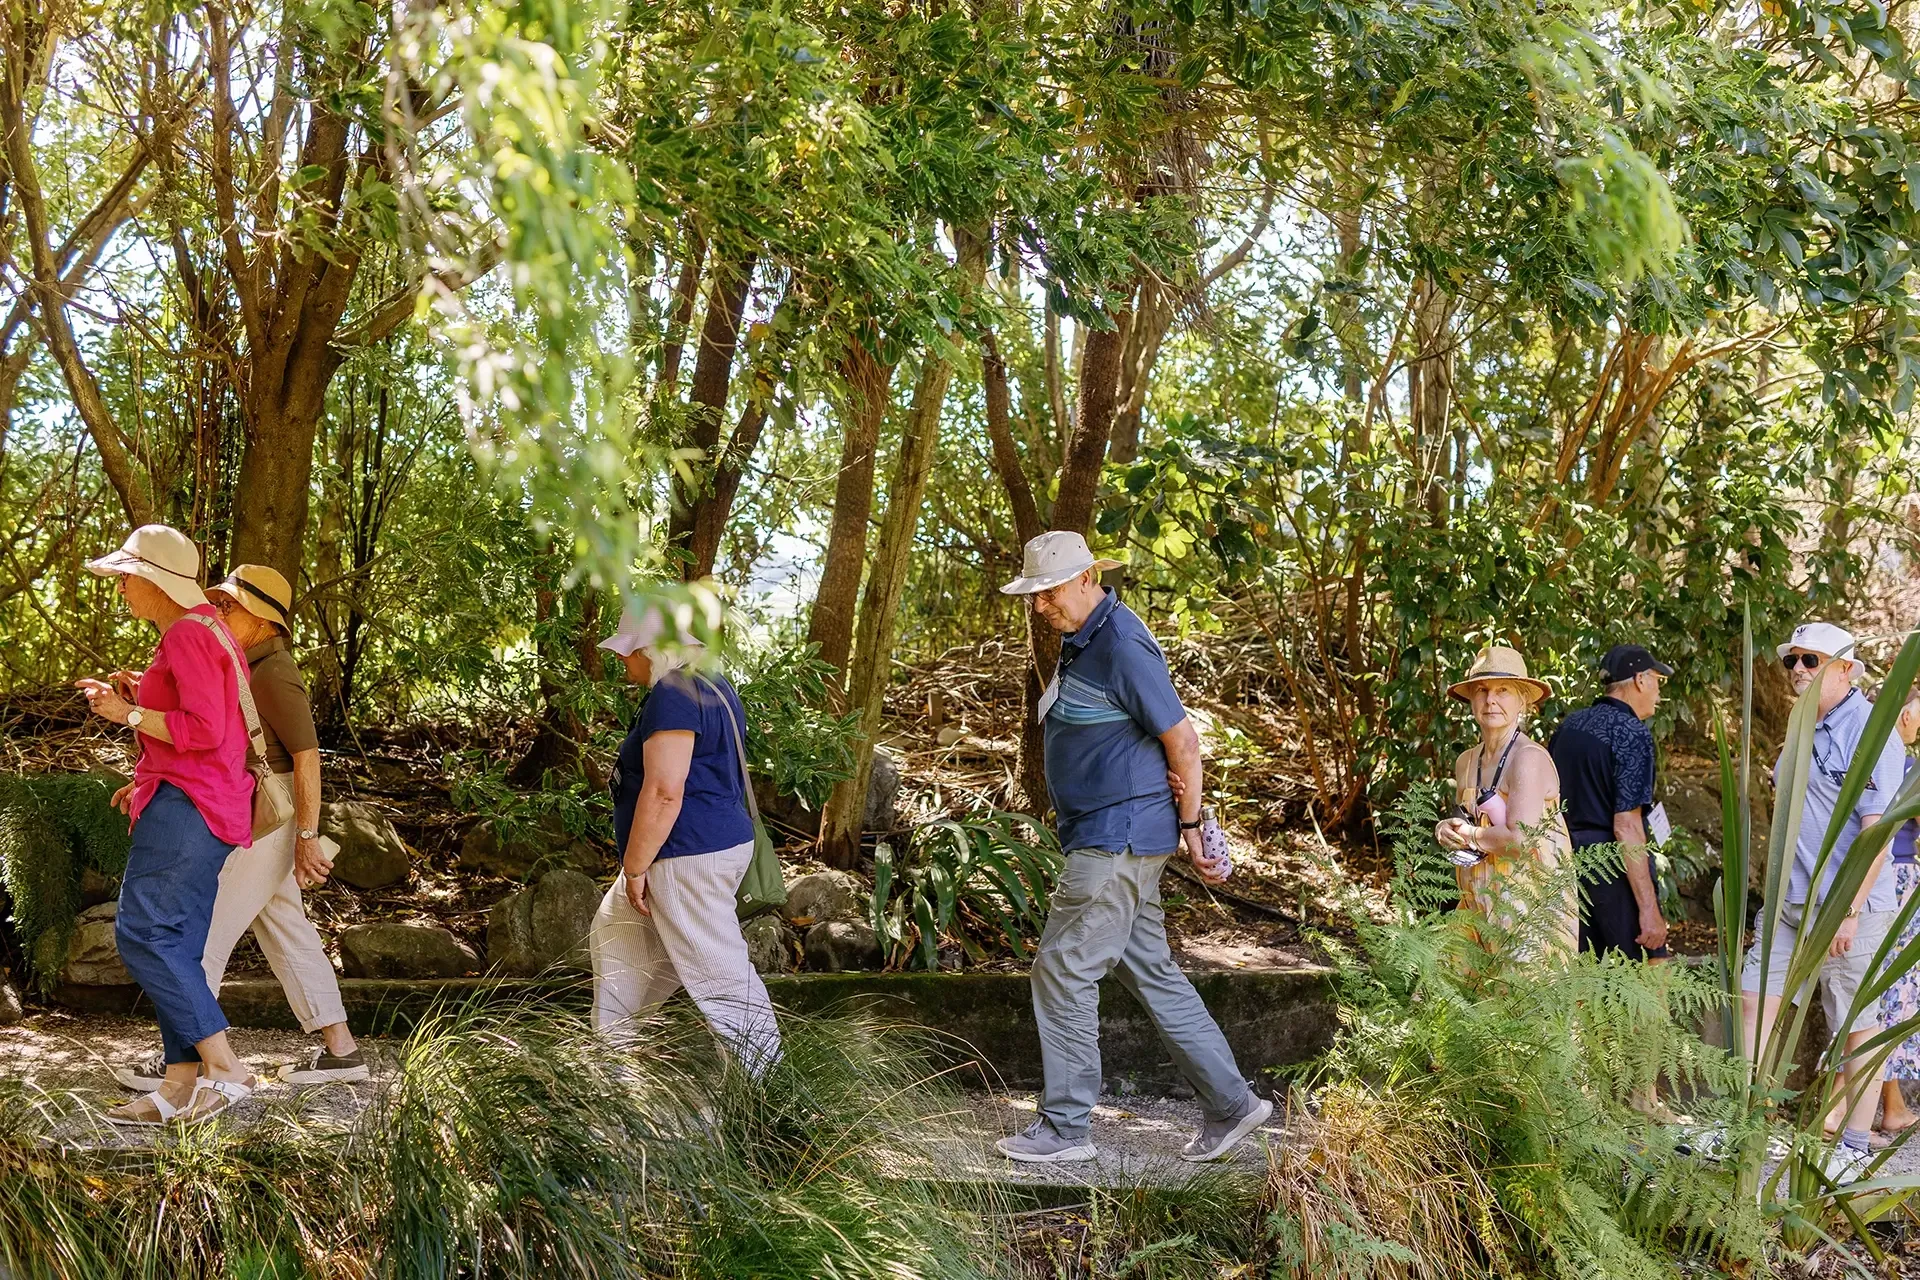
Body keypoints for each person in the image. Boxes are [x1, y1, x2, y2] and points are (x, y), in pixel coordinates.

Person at [993, 531, 1271, 1166]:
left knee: (1062, 968)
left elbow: (1184, 741)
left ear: (1089, 577)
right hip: (1115, 834)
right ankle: (1232, 1105)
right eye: (1034, 596)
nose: (1041, 605)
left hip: (1114, 840)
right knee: (1150, 969)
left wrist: (1196, 826)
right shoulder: (1082, 638)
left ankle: (1065, 1129)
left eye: (1051, 591)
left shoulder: (1120, 643)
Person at [108, 565, 366, 1092]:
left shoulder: (273, 669)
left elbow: (306, 756)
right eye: (218, 602)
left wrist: (307, 834)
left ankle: (189, 1062)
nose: (219, 610)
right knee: (285, 927)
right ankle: (341, 1049)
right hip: (249, 804)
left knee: (201, 935)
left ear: (266, 620)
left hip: (268, 812)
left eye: (230, 604)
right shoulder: (235, 656)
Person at [76, 525, 260, 1123]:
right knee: (176, 942)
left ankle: (226, 1068)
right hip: (204, 801)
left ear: (156, 579)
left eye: (128, 577)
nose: (122, 588)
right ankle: (180, 1082)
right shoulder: (207, 628)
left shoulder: (185, 633)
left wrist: (123, 711)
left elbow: (203, 732)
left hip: (189, 806)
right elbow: (204, 720)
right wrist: (138, 698)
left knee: (143, 934)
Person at [588, 600, 781, 1077]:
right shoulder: (713, 685)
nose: (621, 659)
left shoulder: (673, 695)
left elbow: (663, 793)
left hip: (684, 855)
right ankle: (613, 1071)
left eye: (627, 649)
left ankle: (772, 1095)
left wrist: (635, 868)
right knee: (614, 935)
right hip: (707, 846)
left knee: (720, 975)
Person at [1741, 622, 1906, 1178]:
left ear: (1844, 668)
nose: (1798, 672)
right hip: (1790, 900)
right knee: (1751, 998)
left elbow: (1876, 831)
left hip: (1847, 905)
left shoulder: (1873, 730)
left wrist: (1851, 909)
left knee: (1855, 1023)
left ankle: (1855, 1146)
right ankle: (1746, 1127)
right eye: (1792, 662)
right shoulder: (1800, 725)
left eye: (1811, 662)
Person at [1433, 645, 1578, 958]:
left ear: (1523, 700)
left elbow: (1519, 839)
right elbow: (1469, 818)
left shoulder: (1528, 758)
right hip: (1475, 906)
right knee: (1440, 998)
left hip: (1529, 913)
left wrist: (1469, 836)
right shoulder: (1467, 762)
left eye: (1503, 690)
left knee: (1520, 1005)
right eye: (1482, 690)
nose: (1491, 700)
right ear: (1471, 698)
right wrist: (1446, 828)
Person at [1549, 644, 1672, 961]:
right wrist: (1649, 909)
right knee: (1647, 973)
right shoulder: (1631, 732)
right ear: (1640, 680)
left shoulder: (1568, 727)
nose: (1659, 690)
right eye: (1658, 679)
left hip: (1565, 865)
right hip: (1612, 869)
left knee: (1582, 978)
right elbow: (1627, 825)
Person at [1872, 691, 1920, 1136]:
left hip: (1861, 885)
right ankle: (1844, 1108)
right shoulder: (1907, 767)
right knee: (1897, 993)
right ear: (1905, 715)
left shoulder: (1861, 757)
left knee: (1878, 990)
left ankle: (1893, 1104)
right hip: (1900, 884)